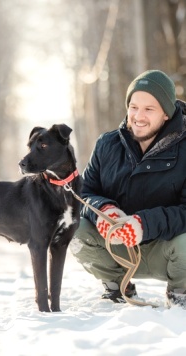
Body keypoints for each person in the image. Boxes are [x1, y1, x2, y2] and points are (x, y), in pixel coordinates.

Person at [71, 69, 186, 308]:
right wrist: (103, 211)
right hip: (117, 247)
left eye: (149, 109)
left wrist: (143, 224)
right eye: (134, 107)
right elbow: (85, 193)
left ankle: (180, 292)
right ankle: (116, 286)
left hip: (168, 251)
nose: (138, 116)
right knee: (73, 228)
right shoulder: (107, 144)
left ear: (166, 113)